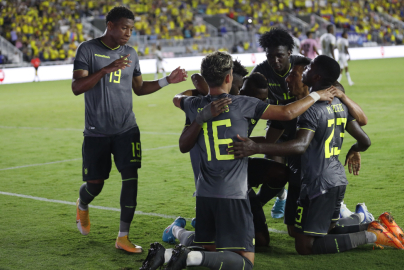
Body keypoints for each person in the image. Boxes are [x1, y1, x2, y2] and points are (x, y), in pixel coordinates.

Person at [141, 51, 335, 270]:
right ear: (228, 78)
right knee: (244, 262)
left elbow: (177, 98)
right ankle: (186, 257)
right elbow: (288, 112)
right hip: (233, 194)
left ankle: (166, 252)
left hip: (204, 193)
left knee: (211, 250)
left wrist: (200, 101)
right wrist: (318, 95)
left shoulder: (194, 104)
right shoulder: (242, 103)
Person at [230, 55, 404, 255]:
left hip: (316, 182)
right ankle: (370, 225)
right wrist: (354, 149)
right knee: (319, 230)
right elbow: (365, 140)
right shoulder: (338, 104)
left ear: (316, 76)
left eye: (306, 69)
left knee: (304, 246)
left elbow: (299, 146)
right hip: (334, 178)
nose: (290, 78)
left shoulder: (309, 109)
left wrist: (256, 148)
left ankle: (373, 235)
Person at [71, 6, 187, 253]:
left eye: (131, 29)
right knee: (95, 184)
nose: (128, 33)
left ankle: (123, 237)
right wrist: (104, 70)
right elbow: (77, 87)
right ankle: (82, 203)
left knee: (131, 179)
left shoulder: (131, 53)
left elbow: (139, 88)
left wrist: (168, 80)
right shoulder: (87, 49)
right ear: (110, 25)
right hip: (96, 131)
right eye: (124, 27)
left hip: (127, 129)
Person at [250, 27, 311, 218]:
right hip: (278, 126)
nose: (275, 61)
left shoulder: (303, 67)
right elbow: (246, 94)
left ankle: (333, 205)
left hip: (305, 127)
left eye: (280, 56)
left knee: (307, 173)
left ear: (289, 53)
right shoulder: (261, 71)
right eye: (270, 56)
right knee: (276, 169)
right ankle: (278, 197)